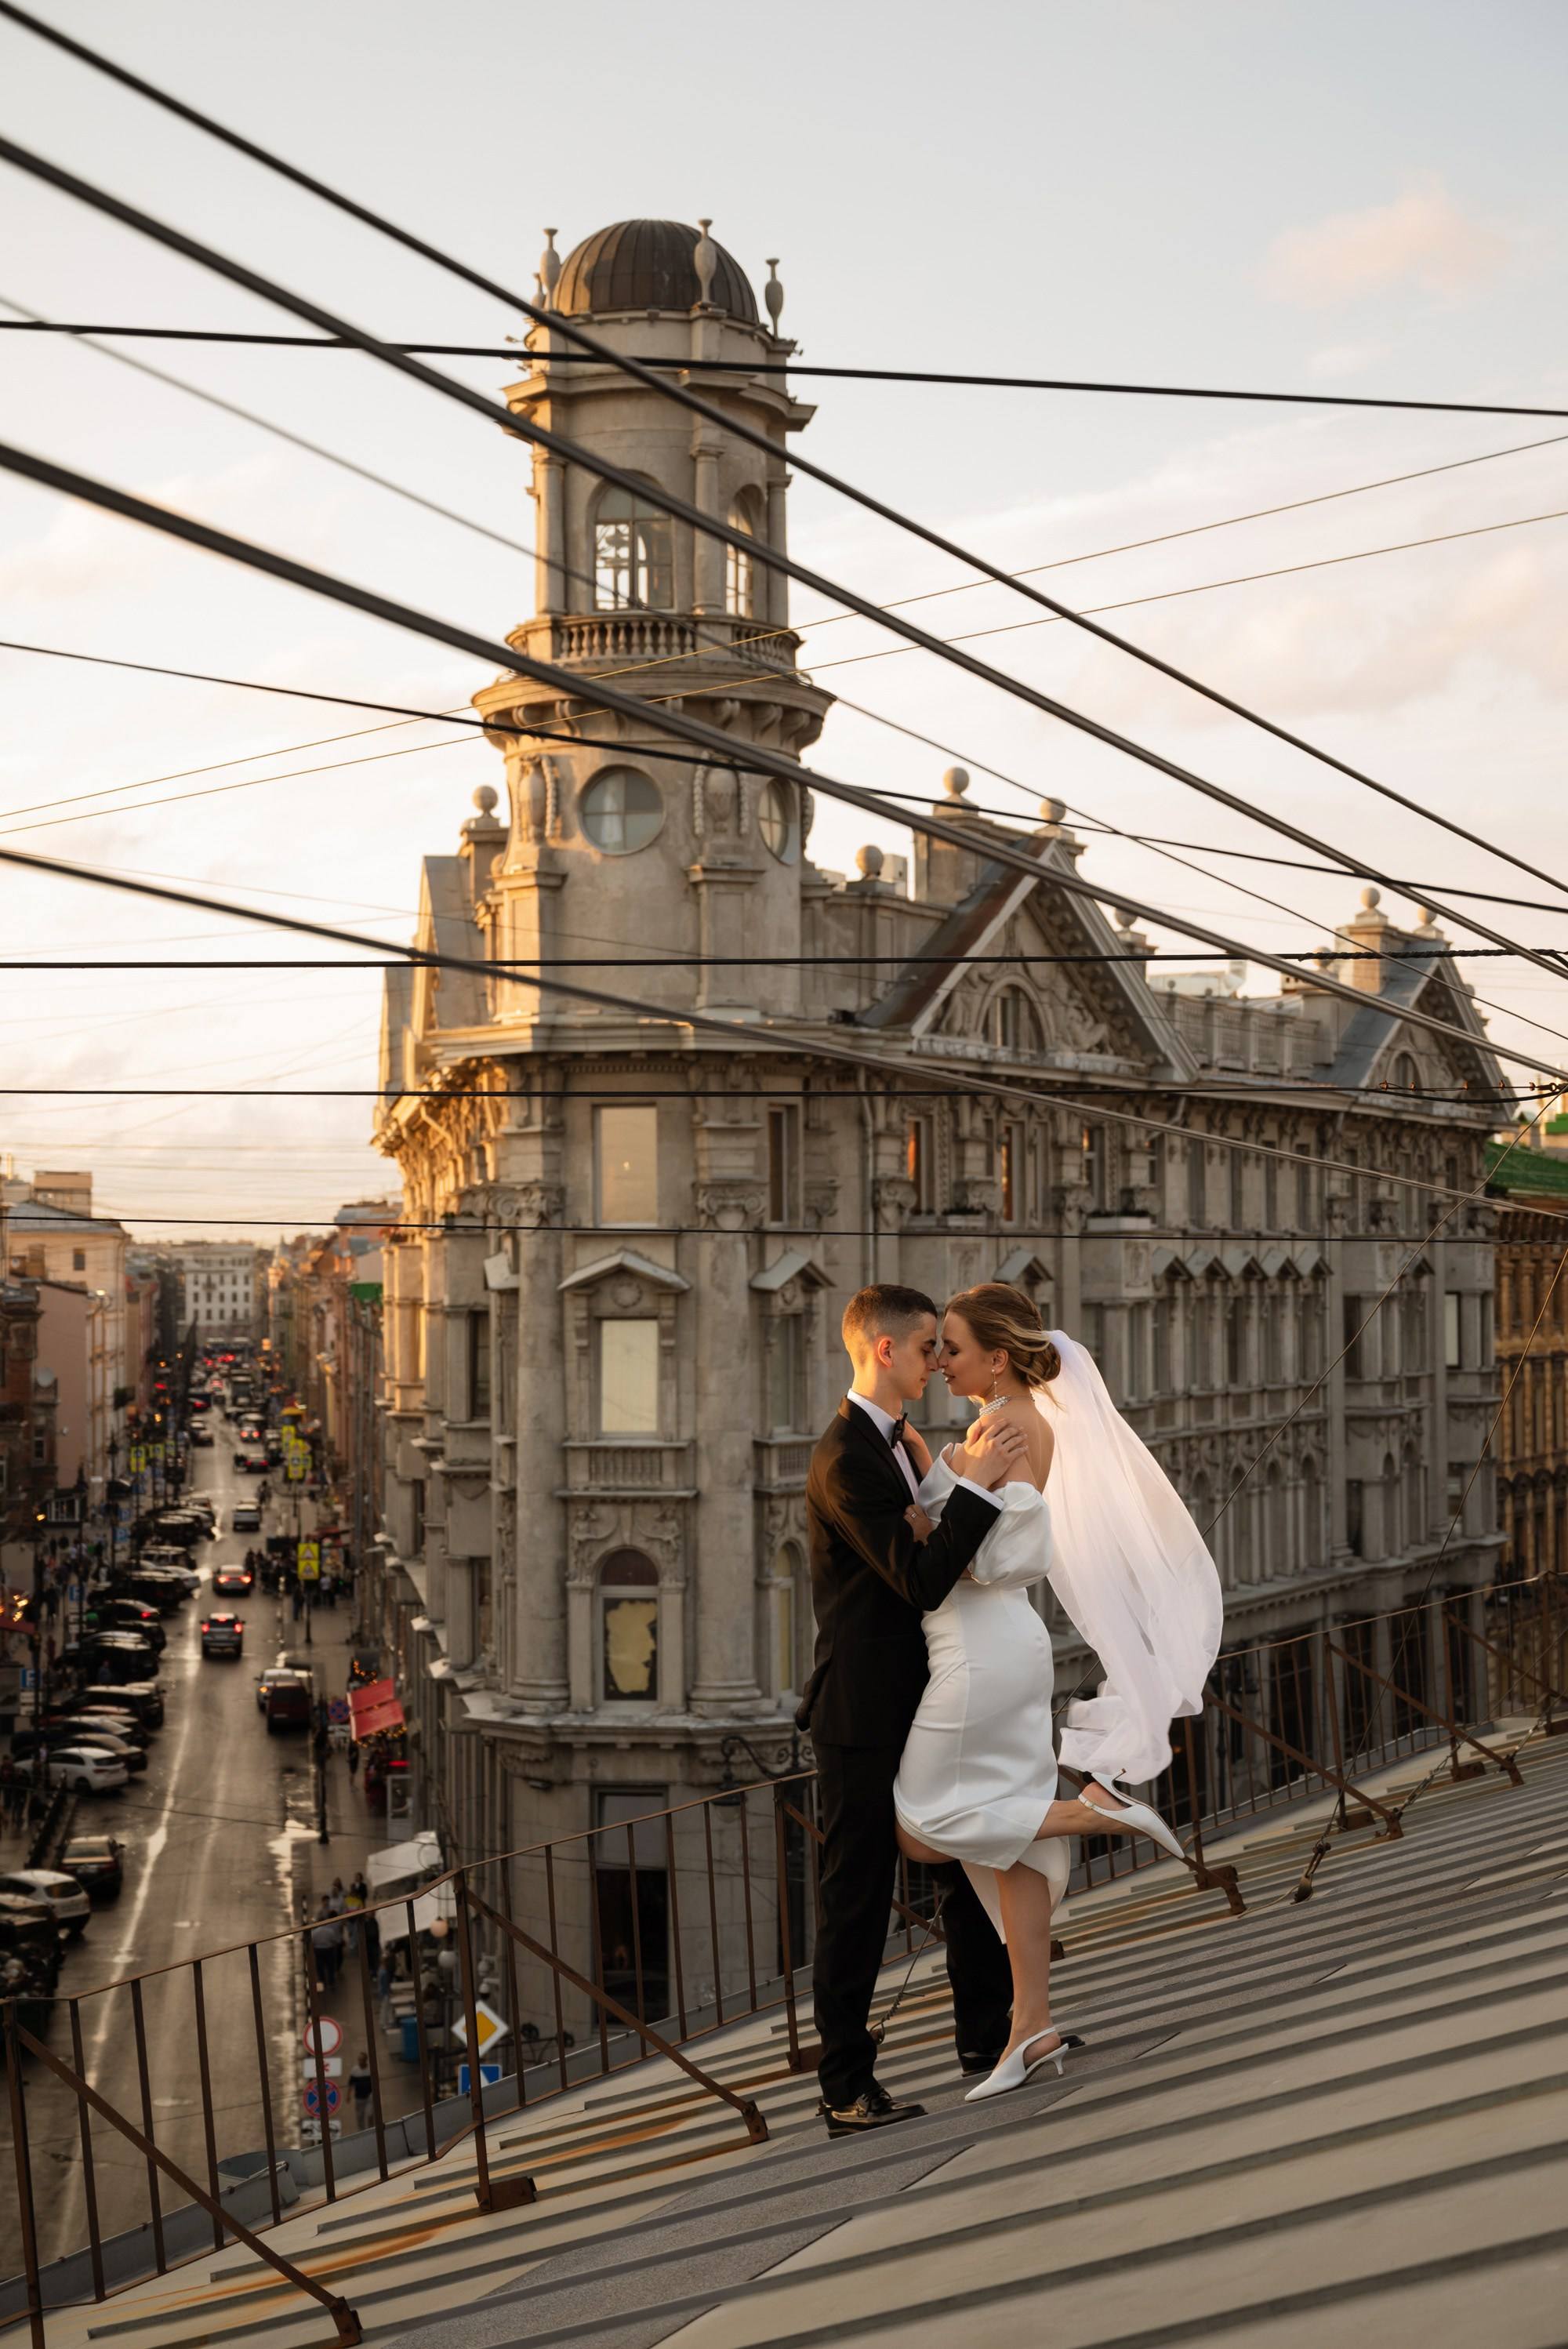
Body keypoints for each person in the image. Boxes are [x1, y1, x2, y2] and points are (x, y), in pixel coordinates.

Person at [893, 1284, 1222, 2101]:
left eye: (955, 1349)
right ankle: (1029, 2024)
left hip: (979, 1646)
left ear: (997, 1358)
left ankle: (1093, 1809)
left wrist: (933, 1522)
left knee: (921, 1823)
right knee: (1013, 1847)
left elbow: (1006, 1557)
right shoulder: (993, 1424)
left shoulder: (1012, 1426)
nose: (942, 1362)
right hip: (990, 1645)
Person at [801, 1283, 1030, 2140]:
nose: (939, 1359)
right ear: (885, 1350)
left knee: (963, 1854)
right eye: (929, 1344)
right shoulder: (845, 1456)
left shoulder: (892, 1439)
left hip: (916, 1694)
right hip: (861, 1712)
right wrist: (973, 1482)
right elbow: (920, 1576)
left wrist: (943, 1477)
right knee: (853, 1898)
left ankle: (987, 2034)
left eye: (944, 1345)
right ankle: (844, 2089)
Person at [310, 1897, 343, 1992]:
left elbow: (312, 1943)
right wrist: (334, 1950)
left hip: (318, 1950)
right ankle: (331, 1984)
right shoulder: (330, 1931)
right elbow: (334, 1942)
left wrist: (313, 1952)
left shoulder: (315, 1932)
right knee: (330, 1967)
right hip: (329, 1950)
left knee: (320, 1969)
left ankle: (322, 1985)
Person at [347, 2051, 372, 2134]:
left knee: (370, 2114)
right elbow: (351, 2084)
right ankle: (361, 2132)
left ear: (365, 2060)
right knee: (360, 2115)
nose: (360, 2061)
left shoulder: (370, 2070)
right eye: (359, 2059)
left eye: (362, 2059)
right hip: (359, 2097)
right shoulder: (355, 2070)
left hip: (369, 2095)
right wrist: (348, 2095)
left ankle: (372, 2130)